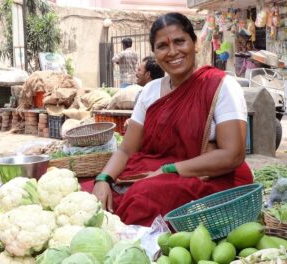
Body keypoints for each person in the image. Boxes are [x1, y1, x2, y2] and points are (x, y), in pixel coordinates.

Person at [87, 12, 253, 226]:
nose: (173, 51)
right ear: (154, 53)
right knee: (88, 193)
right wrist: (103, 179)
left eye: (179, 41)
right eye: (162, 46)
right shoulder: (150, 92)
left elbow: (232, 155)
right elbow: (126, 150)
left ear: (195, 43)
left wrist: (169, 169)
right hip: (153, 171)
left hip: (211, 179)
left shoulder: (221, 85)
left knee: (142, 198)